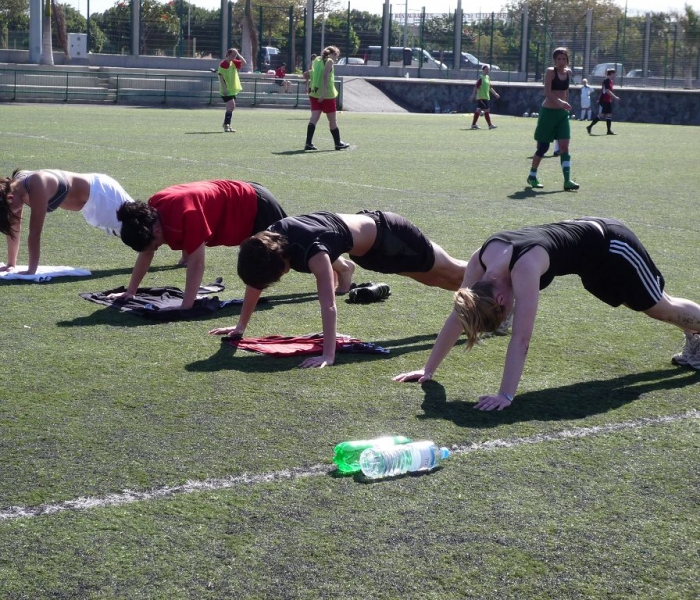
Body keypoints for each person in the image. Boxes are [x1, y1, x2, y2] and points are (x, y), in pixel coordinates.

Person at [393, 217, 700, 409]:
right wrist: (429, 369)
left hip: (612, 245)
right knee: (639, 304)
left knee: (659, 307)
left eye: (503, 314)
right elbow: (459, 314)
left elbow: (522, 339)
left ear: (500, 297)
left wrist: (506, 395)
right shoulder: (480, 262)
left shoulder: (524, 269)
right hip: (586, 259)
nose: (507, 317)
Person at [209, 210, 467, 368]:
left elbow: (328, 304)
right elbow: (255, 284)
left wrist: (328, 354)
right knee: (434, 280)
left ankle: (498, 282)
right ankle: (491, 301)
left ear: (282, 262)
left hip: (392, 236)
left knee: (453, 272)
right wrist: (240, 328)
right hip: (371, 253)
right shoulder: (267, 241)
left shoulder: (314, 253)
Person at [110, 180, 287, 310]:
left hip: (256, 205)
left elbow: (197, 263)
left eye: (156, 246)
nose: (156, 249)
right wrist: (130, 291)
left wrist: (186, 305)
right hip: (246, 196)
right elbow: (146, 252)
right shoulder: (152, 212)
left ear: (156, 232)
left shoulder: (187, 214)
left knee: (292, 256)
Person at [0, 170, 134, 275]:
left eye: (9, 212)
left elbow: (35, 233)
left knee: (142, 229)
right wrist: (11, 264)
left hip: (102, 195)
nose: (13, 216)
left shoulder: (36, 184)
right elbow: (14, 227)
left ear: (9, 198)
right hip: (92, 207)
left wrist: (31, 271)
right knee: (133, 234)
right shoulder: (15, 189)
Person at [526, 47, 579, 191]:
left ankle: (567, 181)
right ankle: (532, 176)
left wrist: (565, 106)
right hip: (548, 113)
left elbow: (566, 91)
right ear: (554, 60)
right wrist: (560, 102)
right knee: (543, 147)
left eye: (564, 59)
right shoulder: (550, 72)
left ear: (567, 60)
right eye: (559, 59)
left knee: (564, 147)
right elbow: (548, 92)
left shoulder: (568, 73)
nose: (561, 61)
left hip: (562, 115)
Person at [305, 46, 349, 151]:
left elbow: (308, 74)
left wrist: (308, 85)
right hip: (327, 95)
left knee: (313, 119)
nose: (336, 59)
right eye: (336, 56)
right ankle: (338, 143)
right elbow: (325, 76)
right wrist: (324, 93)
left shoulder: (316, 59)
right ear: (333, 54)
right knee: (332, 120)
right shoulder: (329, 61)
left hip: (314, 93)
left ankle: (308, 143)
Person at [218, 48, 245, 133]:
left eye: (235, 55)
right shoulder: (223, 64)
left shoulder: (234, 62)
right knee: (231, 106)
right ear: (228, 55)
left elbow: (244, 63)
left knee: (231, 107)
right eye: (232, 55)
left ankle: (227, 125)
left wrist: (238, 54)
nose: (234, 57)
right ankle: (226, 125)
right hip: (226, 90)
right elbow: (221, 77)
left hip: (232, 89)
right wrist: (224, 89)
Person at [587, 69, 620, 135]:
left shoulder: (611, 81)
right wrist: (615, 97)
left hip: (608, 100)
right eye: (614, 74)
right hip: (605, 100)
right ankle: (590, 126)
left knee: (609, 114)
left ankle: (608, 131)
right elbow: (607, 91)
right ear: (610, 74)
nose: (615, 75)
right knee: (602, 114)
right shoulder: (606, 81)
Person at [469, 65, 499, 130]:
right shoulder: (481, 78)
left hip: (485, 97)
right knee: (487, 110)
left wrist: (495, 93)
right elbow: (476, 87)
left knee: (478, 110)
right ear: (483, 70)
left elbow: (490, 88)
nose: (487, 71)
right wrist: (473, 95)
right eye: (486, 70)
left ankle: (473, 125)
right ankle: (490, 125)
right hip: (481, 97)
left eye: (488, 70)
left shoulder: (487, 78)